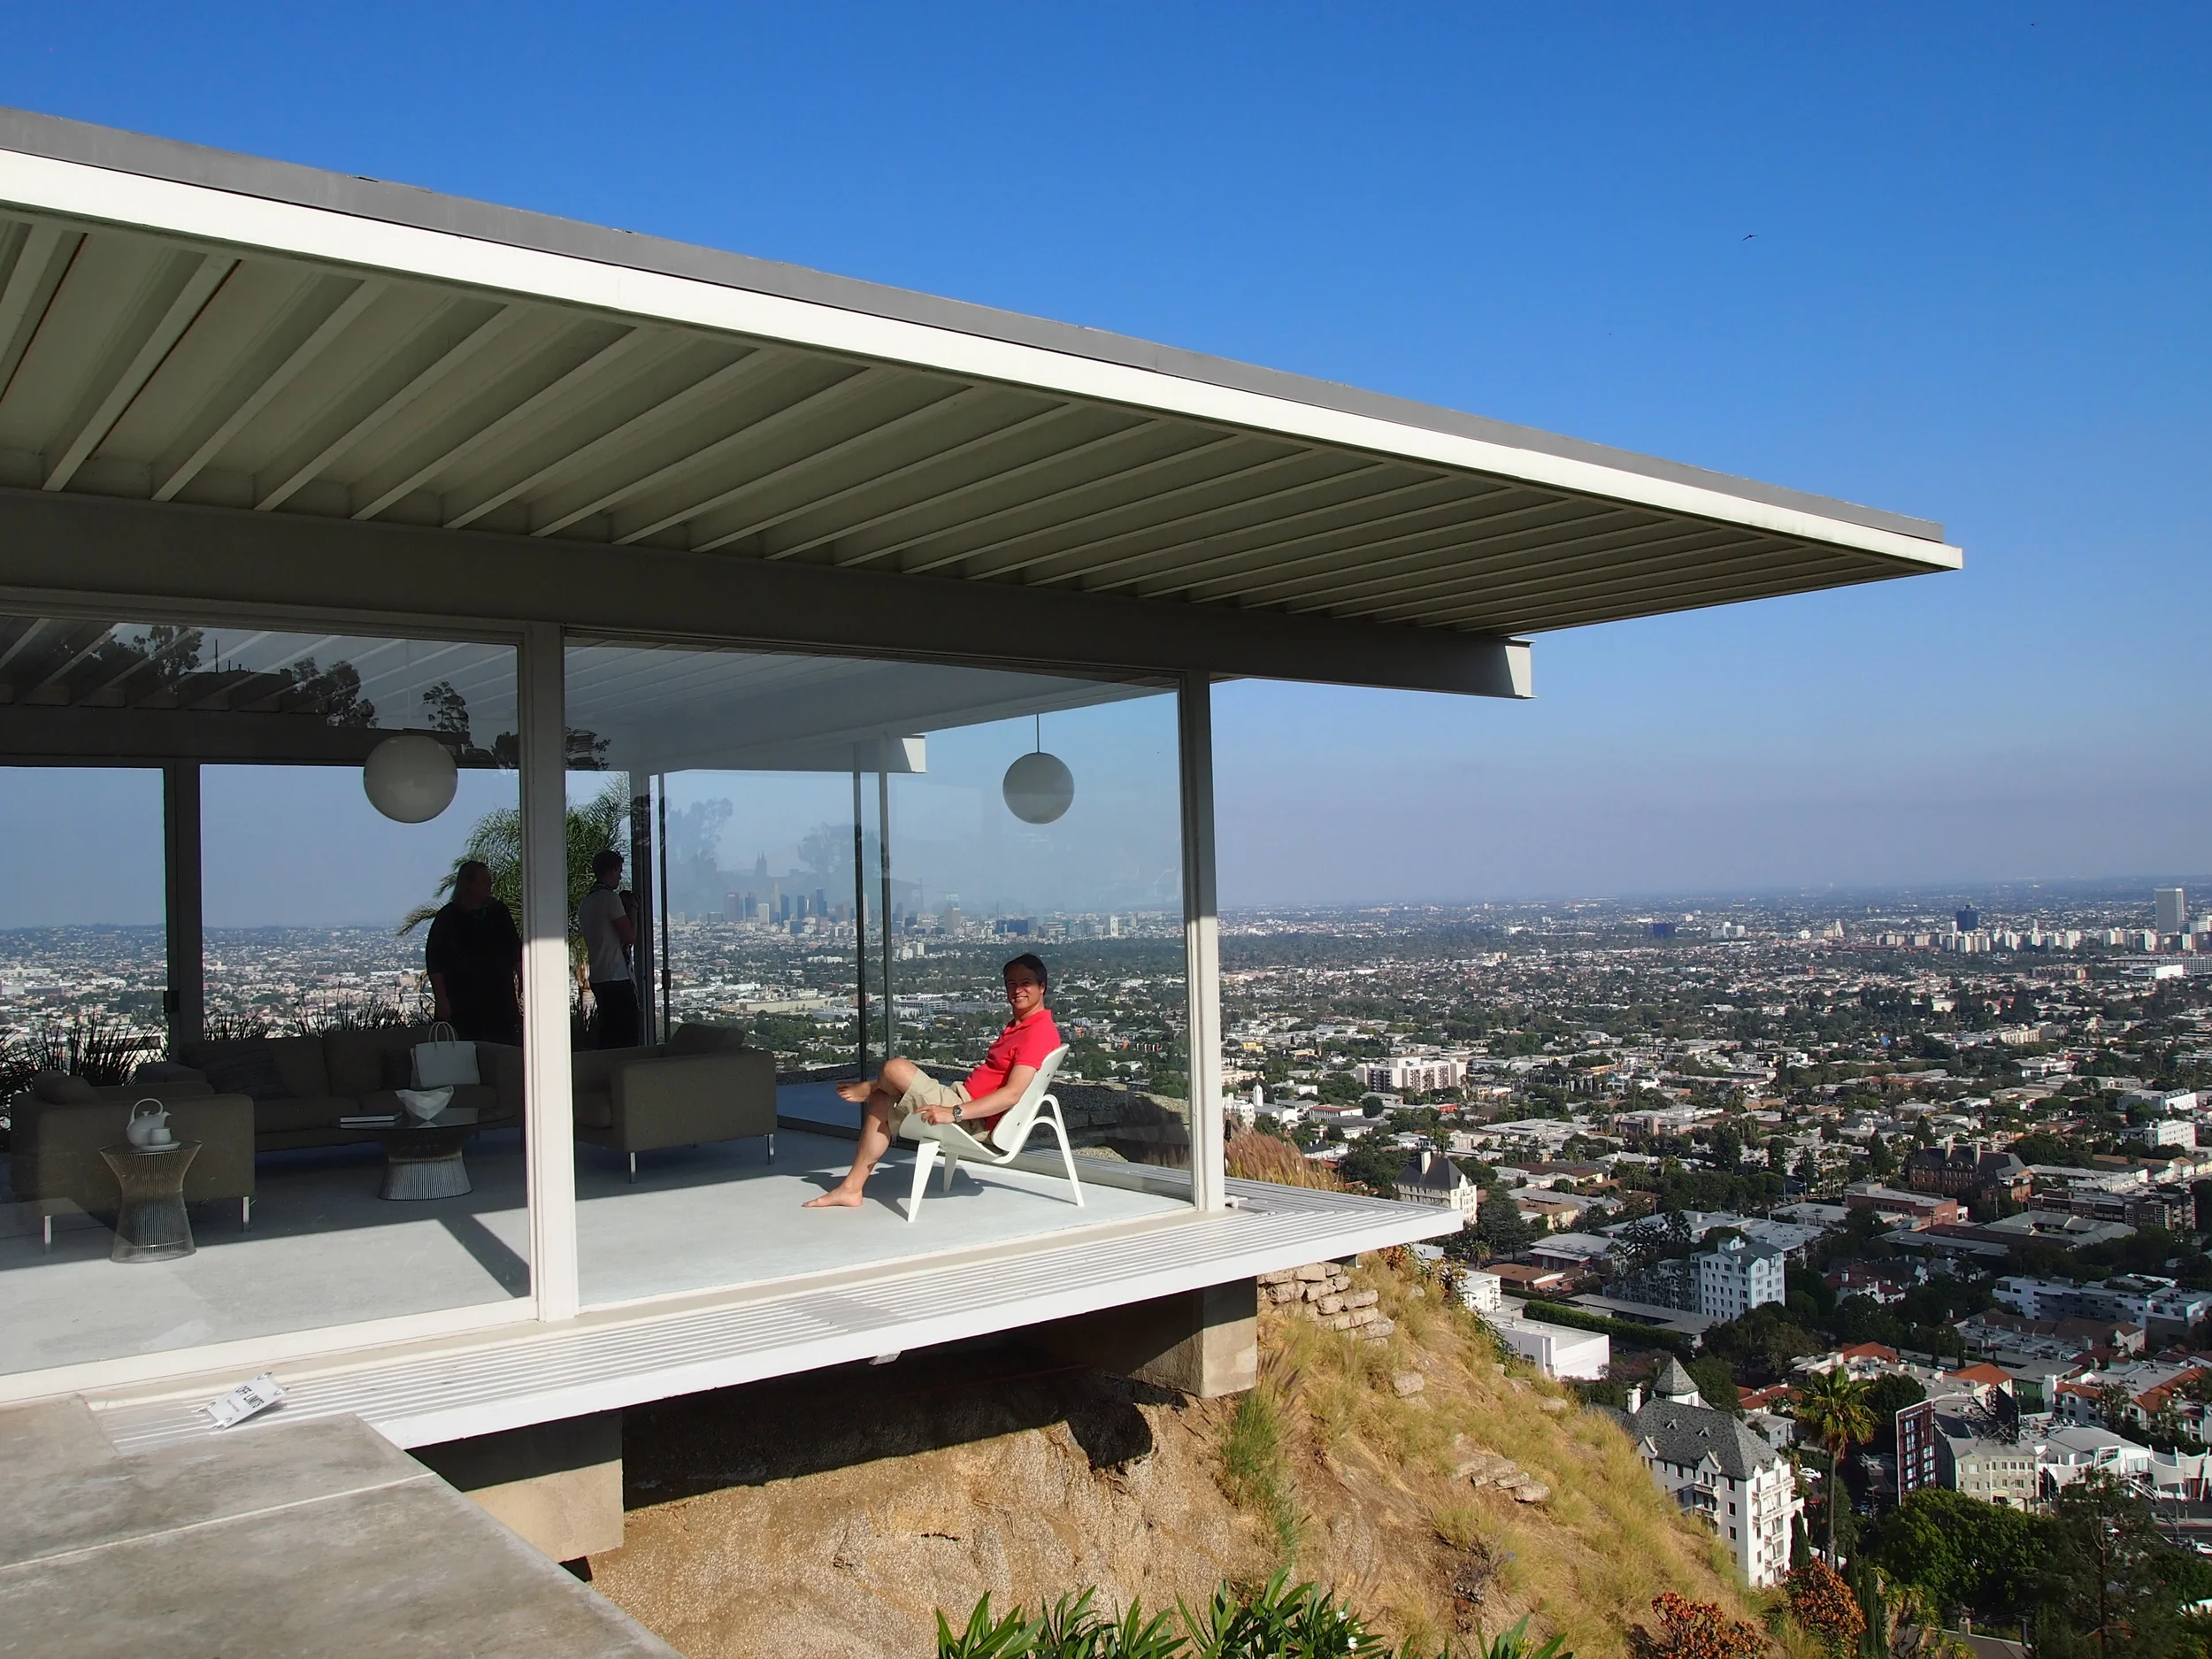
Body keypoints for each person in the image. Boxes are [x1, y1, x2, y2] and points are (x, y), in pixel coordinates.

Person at [804, 953, 1060, 1210]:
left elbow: (1012, 1095)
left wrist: (954, 1113)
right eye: (1011, 984)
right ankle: (851, 1189)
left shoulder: (1036, 1033)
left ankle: (872, 1087)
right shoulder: (1024, 1025)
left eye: (1025, 983)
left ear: (1042, 987)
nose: (1017, 990)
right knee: (883, 1099)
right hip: (964, 1100)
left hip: (972, 1117)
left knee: (895, 1068)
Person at [424, 859, 522, 1044]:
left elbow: (514, 948)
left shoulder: (498, 912)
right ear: (468, 885)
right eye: (484, 881)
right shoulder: (448, 918)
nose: (489, 885)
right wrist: (441, 998)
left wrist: (523, 978)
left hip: (498, 996)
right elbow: (435, 961)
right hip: (462, 997)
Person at [577, 849, 641, 1049]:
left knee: (608, 1034)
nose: (620, 877)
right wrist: (633, 909)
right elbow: (629, 937)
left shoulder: (586, 902)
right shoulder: (610, 899)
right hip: (616, 976)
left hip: (598, 976)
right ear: (611, 870)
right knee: (627, 1035)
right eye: (619, 871)